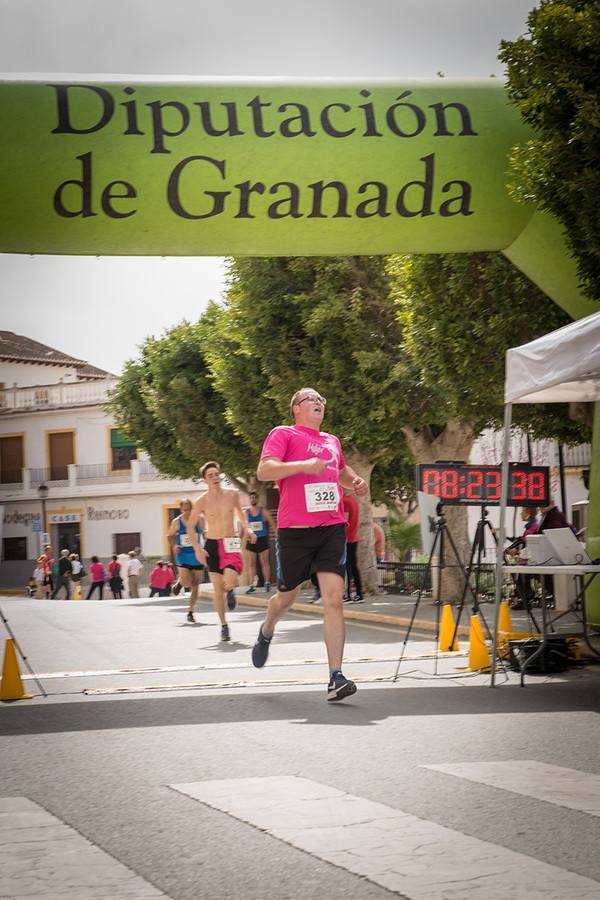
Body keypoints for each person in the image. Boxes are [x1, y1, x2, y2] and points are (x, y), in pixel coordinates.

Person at [251, 387, 368, 701]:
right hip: (295, 532)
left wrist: (354, 481)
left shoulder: (332, 441)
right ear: (296, 409)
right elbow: (264, 470)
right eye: (311, 399)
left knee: (334, 600)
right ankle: (267, 630)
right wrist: (303, 465)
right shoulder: (284, 434)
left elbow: (340, 470)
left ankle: (335, 677)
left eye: (321, 400)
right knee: (286, 599)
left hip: (331, 528)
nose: (319, 403)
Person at [188, 462, 257, 641]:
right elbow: (190, 526)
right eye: (210, 476)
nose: (215, 478)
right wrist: (198, 549)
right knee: (217, 590)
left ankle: (231, 589)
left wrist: (247, 529)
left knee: (231, 579)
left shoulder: (232, 494)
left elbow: (241, 515)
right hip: (212, 545)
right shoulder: (202, 501)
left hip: (230, 543)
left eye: (217, 474)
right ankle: (224, 626)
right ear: (205, 480)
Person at [167, 498, 206, 622]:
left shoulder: (199, 520)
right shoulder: (176, 522)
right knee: (187, 583)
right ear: (181, 509)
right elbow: (170, 536)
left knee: (195, 585)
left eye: (189, 509)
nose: (188, 512)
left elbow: (204, 534)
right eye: (185, 510)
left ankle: (191, 611)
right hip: (183, 554)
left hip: (196, 555)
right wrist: (174, 546)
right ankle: (180, 582)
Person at [506, 507, 539, 610]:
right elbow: (522, 541)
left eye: (522, 512)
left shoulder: (533, 527)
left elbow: (525, 543)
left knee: (521, 576)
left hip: (532, 561)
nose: (520, 514)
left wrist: (515, 550)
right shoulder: (529, 528)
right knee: (520, 576)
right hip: (528, 560)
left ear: (528, 513)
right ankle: (526, 598)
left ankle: (526, 599)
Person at [245, 491, 276, 593]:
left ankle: (267, 583)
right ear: (249, 500)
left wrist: (278, 535)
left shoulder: (263, 511)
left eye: (254, 498)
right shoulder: (247, 513)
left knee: (264, 562)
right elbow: (244, 527)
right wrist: (240, 538)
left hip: (262, 539)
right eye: (251, 498)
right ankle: (251, 585)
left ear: (257, 499)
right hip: (251, 541)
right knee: (252, 563)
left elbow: (272, 523)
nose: (253, 499)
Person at [342, 490, 363, 603]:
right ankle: (359, 594)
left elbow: (344, 521)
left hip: (346, 538)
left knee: (346, 568)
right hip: (354, 537)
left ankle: (347, 595)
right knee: (354, 567)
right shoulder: (354, 501)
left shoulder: (345, 502)